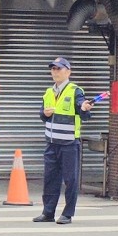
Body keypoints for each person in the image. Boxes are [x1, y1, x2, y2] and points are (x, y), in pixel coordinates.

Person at [33, 57, 93, 224]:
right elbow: (41, 116)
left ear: (68, 71)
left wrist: (84, 108)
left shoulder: (75, 91)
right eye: (53, 69)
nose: (55, 72)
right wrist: (44, 114)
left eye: (59, 69)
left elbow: (84, 111)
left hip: (69, 144)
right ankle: (48, 212)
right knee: (50, 178)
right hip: (51, 143)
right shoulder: (48, 92)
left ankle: (67, 213)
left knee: (70, 179)